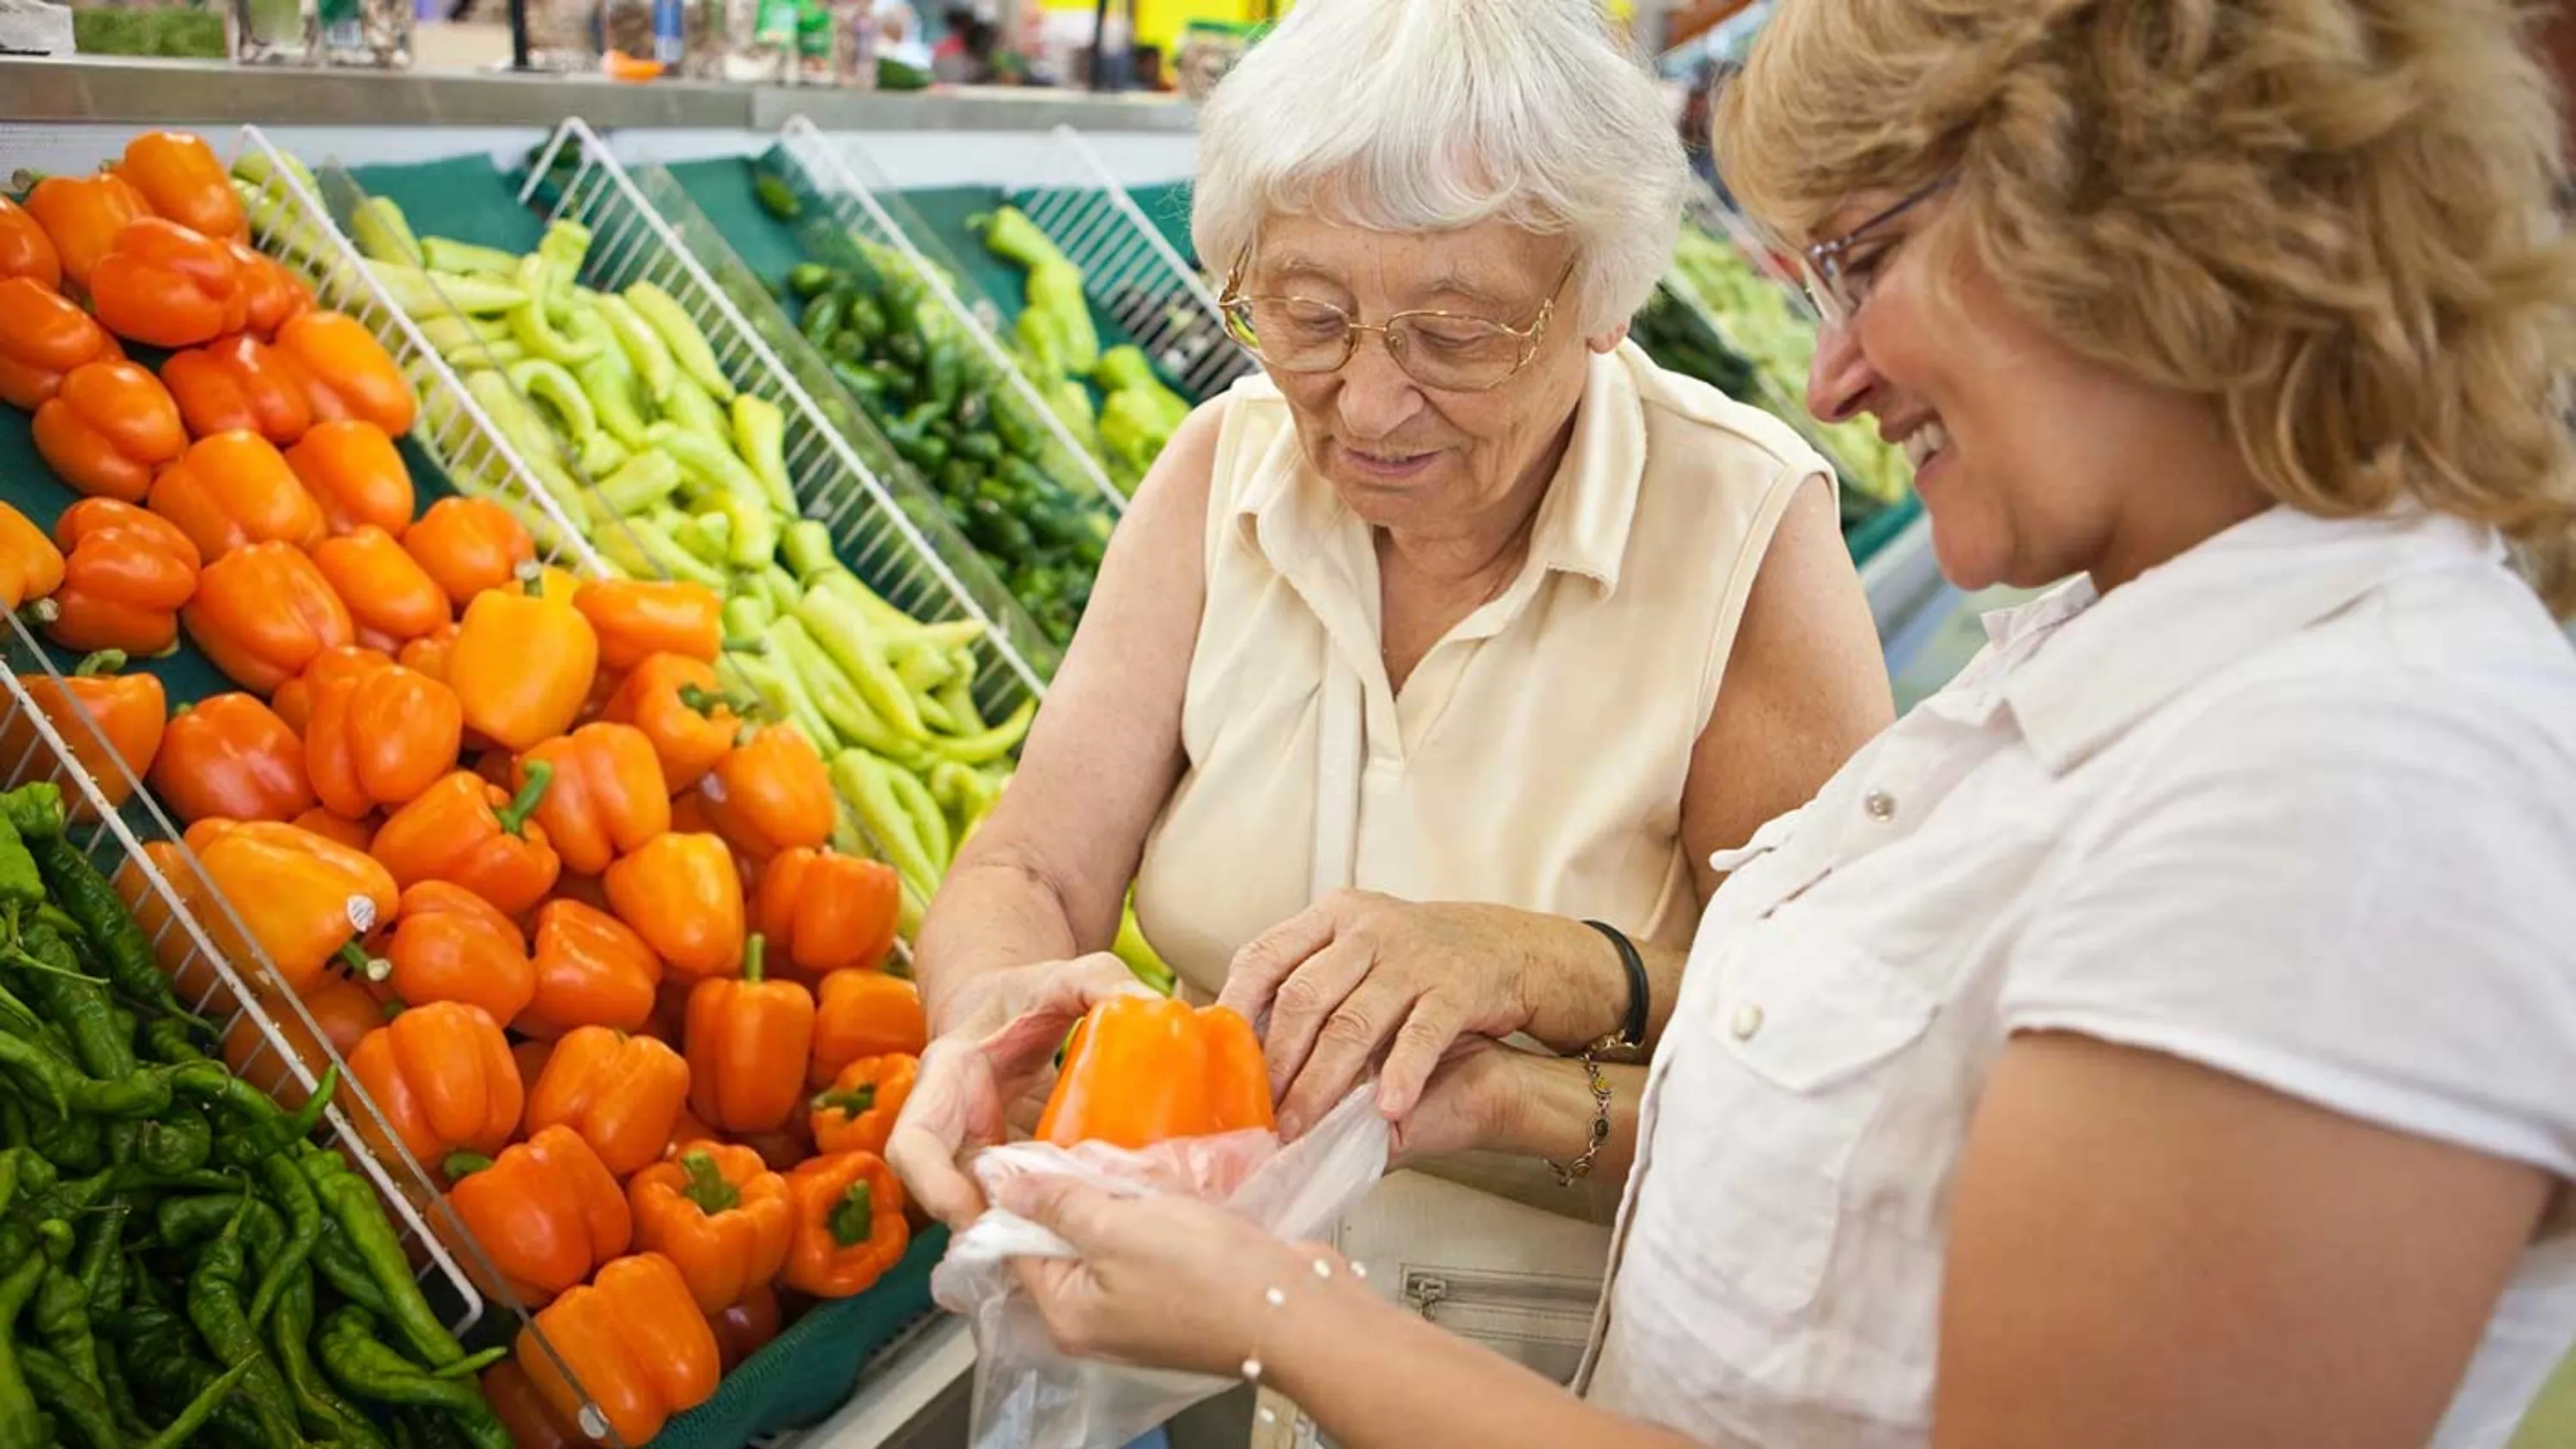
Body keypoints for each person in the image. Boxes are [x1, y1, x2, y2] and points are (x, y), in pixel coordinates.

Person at [957, 1, 2576, 1446]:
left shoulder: (2360, 784)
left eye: (1862, 260)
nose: (1831, 375)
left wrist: (1282, 1317)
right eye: (1308, 318)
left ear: (2150, 226)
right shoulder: (2115, 667)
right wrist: (1497, 1100)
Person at [887, 0, 1890, 1413]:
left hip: (1563, 1384)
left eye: (1457, 333)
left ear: (1601, 305)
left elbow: (1828, 1068)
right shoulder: (1219, 472)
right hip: (1181, 1366)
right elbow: (1032, 864)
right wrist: (984, 1006)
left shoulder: (1738, 523)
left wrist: (1537, 973)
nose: (1364, 400)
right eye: (1305, 316)